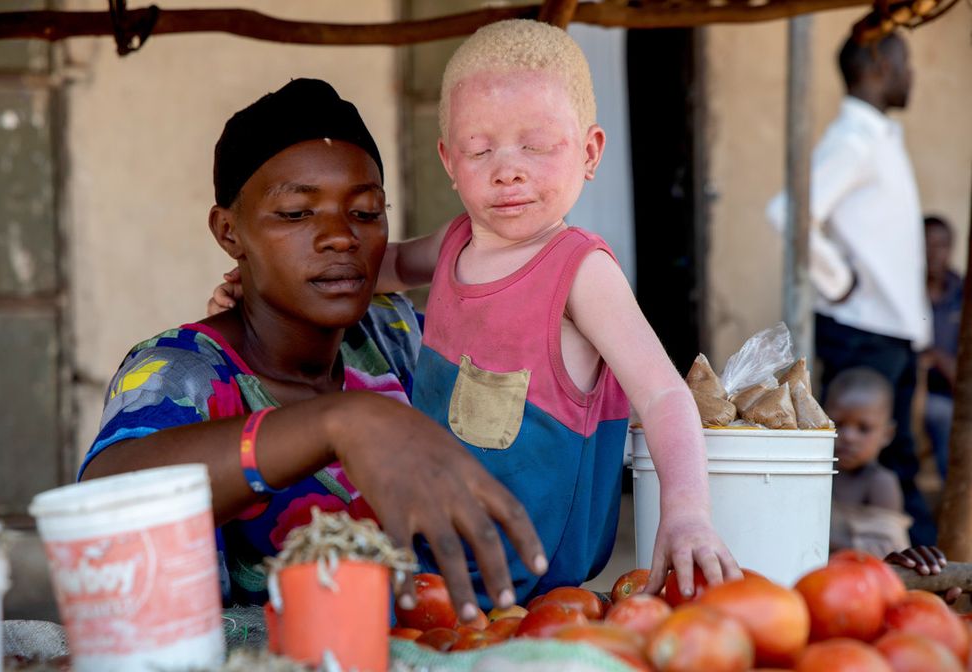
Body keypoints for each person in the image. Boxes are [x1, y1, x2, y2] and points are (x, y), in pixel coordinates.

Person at [212, 21, 739, 604]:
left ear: (590, 152)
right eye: (479, 149)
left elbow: (665, 395)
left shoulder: (581, 273)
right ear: (447, 160)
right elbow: (377, 267)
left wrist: (687, 511)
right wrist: (257, 285)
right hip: (438, 561)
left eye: (535, 146)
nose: (506, 169)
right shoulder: (456, 242)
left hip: (537, 579)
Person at [80, 78, 546, 623]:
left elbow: (536, 389)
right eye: (297, 214)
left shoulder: (396, 338)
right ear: (229, 233)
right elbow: (102, 506)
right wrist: (337, 423)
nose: (340, 237)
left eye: (366, 213)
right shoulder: (180, 372)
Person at [766, 30, 936, 545]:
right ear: (880, 64)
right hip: (863, 330)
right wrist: (840, 282)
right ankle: (903, 579)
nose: (912, 75)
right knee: (877, 466)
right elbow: (787, 211)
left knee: (898, 460)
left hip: (883, 334)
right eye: (905, 61)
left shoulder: (877, 136)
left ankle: (912, 575)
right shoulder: (854, 140)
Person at [826, 367, 911, 558]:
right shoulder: (818, 472)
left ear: (887, 435)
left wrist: (823, 537)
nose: (848, 437)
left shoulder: (880, 482)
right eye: (838, 424)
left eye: (863, 429)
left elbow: (885, 551)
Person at [922, 214, 963, 480]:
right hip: (915, 393)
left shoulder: (963, 292)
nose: (934, 253)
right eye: (927, 244)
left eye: (942, 245)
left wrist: (939, 359)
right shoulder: (904, 290)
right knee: (942, 416)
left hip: (954, 391)